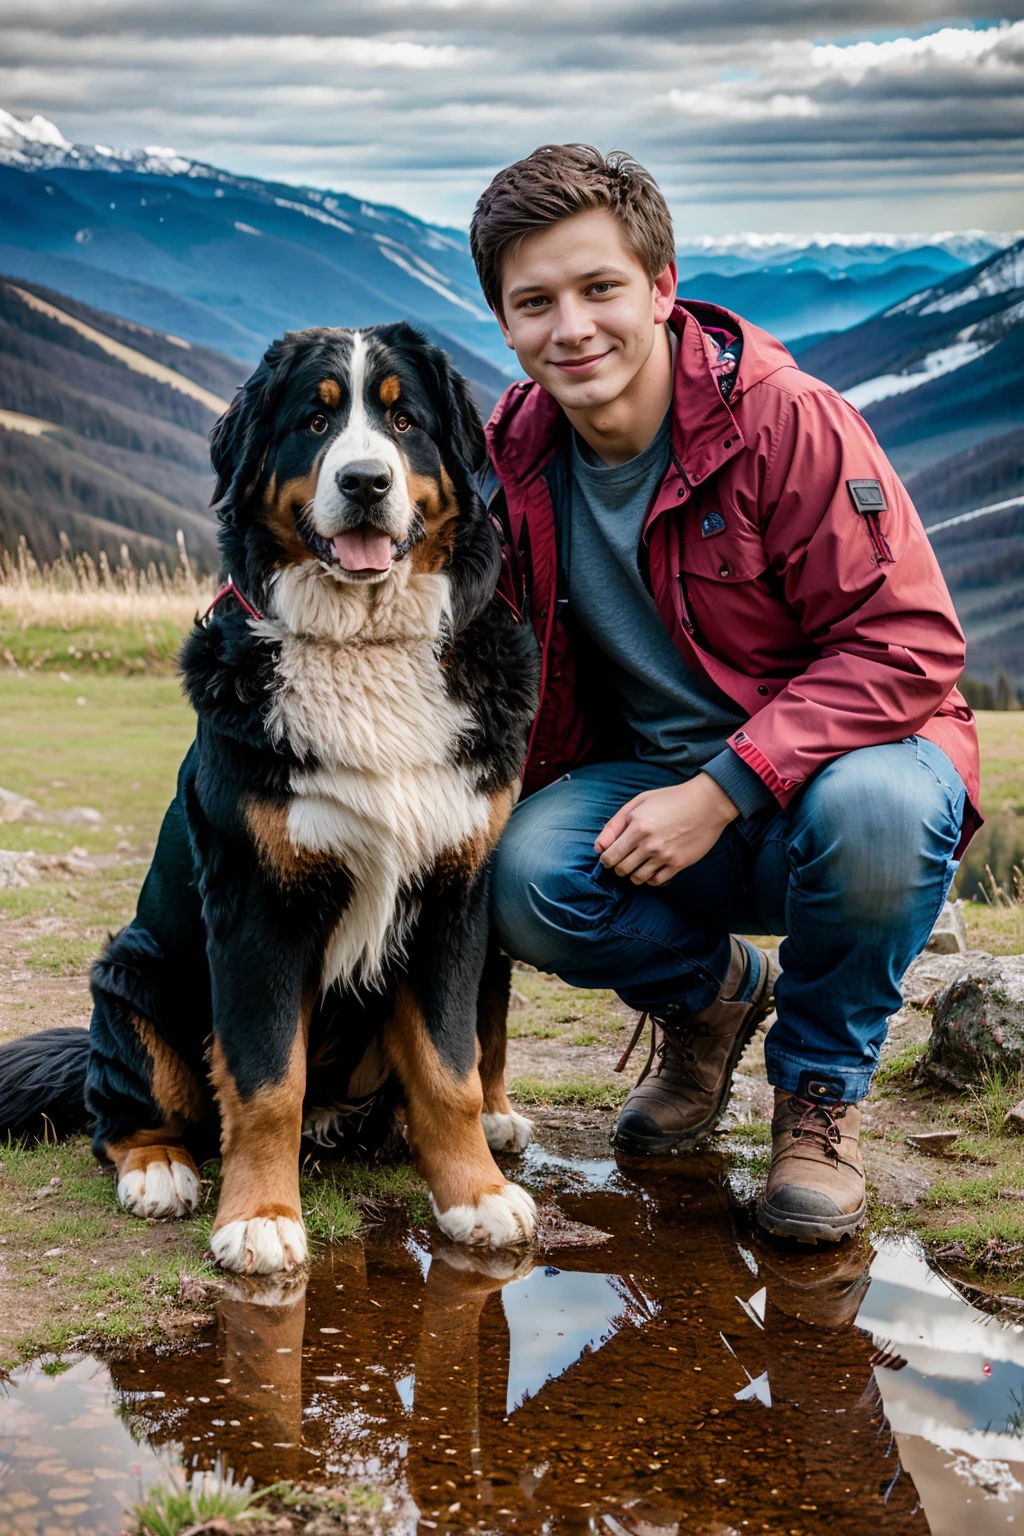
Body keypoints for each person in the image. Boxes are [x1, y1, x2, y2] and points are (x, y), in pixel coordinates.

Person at [469, 143, 980, 1243]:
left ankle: (816, 1102)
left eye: (600, 288)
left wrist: (721, 786)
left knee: (881, 814)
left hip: (840, 775)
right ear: (502, 324)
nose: (572, 328)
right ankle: (708, 1004)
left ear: (660, 288)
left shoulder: (782, 419)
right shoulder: (509, 454)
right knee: (523, 877)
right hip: (649, 781)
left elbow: (908, 644)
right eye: (534, 302)